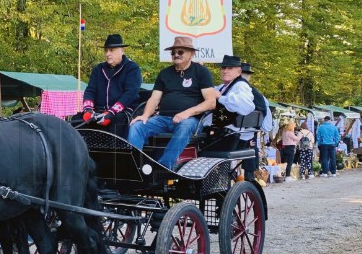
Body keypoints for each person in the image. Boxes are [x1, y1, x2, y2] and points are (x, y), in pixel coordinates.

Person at [128, 36, 216, 169]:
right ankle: (134, 167)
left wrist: (187, 113)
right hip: (163, 118)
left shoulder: (201, 72)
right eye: (173, 52)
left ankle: (163, 167)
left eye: (180, 52)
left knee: (185, 126)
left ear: (191, 54)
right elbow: (154, 98)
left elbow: (211, 102)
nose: (176, 55)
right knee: (137, 126)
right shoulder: (164, 73)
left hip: (190, 120)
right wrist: (145, 115)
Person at [77, 33, 142, 138]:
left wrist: (111, 112)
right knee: (77, 118)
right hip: (98, 111)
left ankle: (111, 153)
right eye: (106, 50)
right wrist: (88, 109)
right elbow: (90, 91)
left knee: (118, 120)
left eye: (112, 50)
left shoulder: (132, 68)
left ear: (122, 51)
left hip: (122, 112)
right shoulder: (98, 69)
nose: (108, 54)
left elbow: (130, 93)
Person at [201, 55, 255, 151]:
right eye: (223, 68)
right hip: (219, 133)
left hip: (225, 135)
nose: (225, 71)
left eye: (230, 68)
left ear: (239, 72)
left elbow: (245, 106)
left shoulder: (240, 85)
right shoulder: (224, 87)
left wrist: (221, 98)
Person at [240, 62, 273, 181]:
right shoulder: (252, 91)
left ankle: (249, 177)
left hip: (245, 129)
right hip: (248, 129)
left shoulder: (249, 91)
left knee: (250, 150)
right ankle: (249, 177)